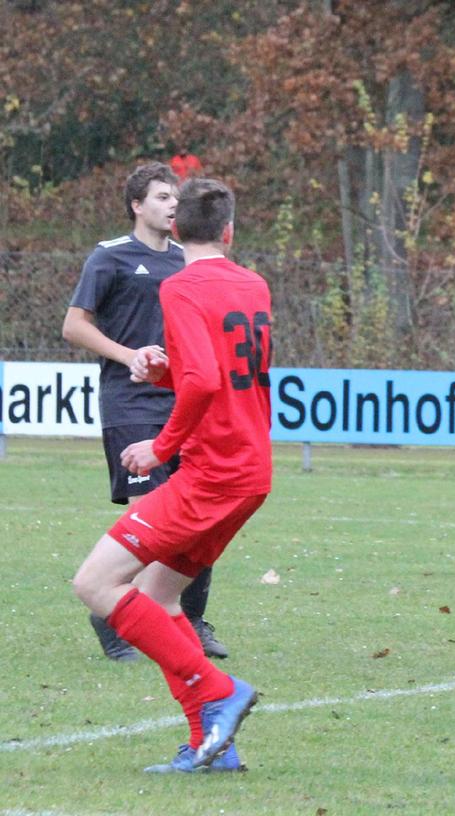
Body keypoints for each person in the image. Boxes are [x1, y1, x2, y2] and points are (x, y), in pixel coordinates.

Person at [71, 177, 271, 771]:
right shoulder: (253, 283)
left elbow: (206, 383)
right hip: (251, 468)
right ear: (230, 231)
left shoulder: (181, 286)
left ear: (176, 229)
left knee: (97, 585)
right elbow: (222, 374)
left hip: (211, 472)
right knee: (161, 598)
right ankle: (212, 747)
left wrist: (160, 447)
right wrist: (165, 372)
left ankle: (217, 691)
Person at [62, 162, 230, 662]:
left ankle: (191, 621)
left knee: (198, 517)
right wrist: (129, 354)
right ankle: (110, 615)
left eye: (175, 196)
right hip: (130, 403)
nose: (171, 203)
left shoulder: (190, 261)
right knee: (152, 516)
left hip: (185, 403)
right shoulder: (110, 257)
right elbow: (74, 326)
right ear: (137, 205)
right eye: (160, 196)